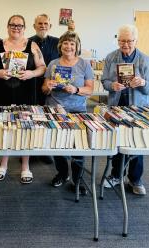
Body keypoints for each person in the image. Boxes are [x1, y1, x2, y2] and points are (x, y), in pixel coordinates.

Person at [0, 14, 46, 184]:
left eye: (19, 25)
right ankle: (3, 163)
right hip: (2, 92)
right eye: (13, 25)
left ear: (24, 28)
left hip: (26, 92)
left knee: (25, 127)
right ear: (8, 26)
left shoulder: (32, 45)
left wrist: (31, 73)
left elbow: (42, 67)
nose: (16, 28)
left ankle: (25, 166)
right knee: (4, 126)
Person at [101, 24, 149, 195]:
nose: (125, 44)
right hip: (116, 107)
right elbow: (104, 82)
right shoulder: (111, 58)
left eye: (129, 41)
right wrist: (113, 85)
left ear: (136, 41)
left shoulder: (145, 60)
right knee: (117, 143)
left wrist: (143, 83)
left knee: (137, 143)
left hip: (138, 109)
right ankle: (116, 175)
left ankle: (135, 179)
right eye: (121, 41)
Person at [42, 31, 94, 195]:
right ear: (60, 45)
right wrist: (48, 86)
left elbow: (90, 90)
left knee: (79, 146)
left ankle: (77, 179)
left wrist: (76, 89)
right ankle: (63, 174)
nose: (68, 46)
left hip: (78, 110)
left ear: (77, 46)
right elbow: (43, 89)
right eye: (65, 43)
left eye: (72, 43)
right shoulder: (53, 64)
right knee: (58, 144)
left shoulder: (85, 64)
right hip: (56, 108)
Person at [29, 13, 59, 165]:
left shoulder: (58, 42)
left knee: (48, 118)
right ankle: (31, 151)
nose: (42, 26)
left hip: (51, 87)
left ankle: (45, 150)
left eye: (45, 23)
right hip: (31, 85)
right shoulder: (27, 42)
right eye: (39, 23)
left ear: (50, 26)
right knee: (33, 117)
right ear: (34, 26)